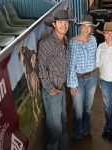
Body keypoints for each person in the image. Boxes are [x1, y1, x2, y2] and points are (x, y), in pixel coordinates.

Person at [38, 9, 73, 150]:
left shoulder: (66, 41)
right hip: (52, 90)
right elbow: (41, 70)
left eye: (66, 22)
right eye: (60, 22)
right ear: (54, 24)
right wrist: (51, 89)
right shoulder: (45, 43)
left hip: (61, 87)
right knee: (55, 128)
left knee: (63, 122)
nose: (64, 25)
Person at [67, 14, 97, 140]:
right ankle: (77, 132)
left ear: (91, 28)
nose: (86, 29)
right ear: (80, 27)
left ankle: (86, 130)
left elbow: (97, 57)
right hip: (78, 79)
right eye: (84, 26)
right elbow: (71, 64)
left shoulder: (93, 40)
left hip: (91, 78)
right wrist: (72, 84)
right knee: (78, 109)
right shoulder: (73, 42)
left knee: (88, 108)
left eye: (89, 27)